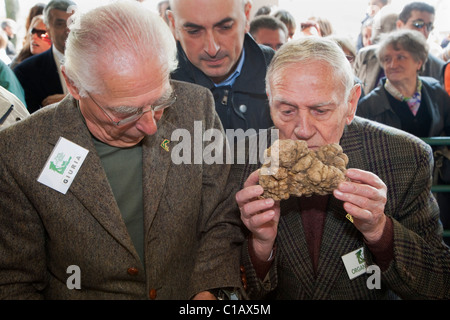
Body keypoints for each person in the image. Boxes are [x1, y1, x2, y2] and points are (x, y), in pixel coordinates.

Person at [0, 1, 244, 300]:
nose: (151, 127)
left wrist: (208, 291)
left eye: (160, 102)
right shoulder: (19, 152)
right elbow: (16, 282)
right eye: (125, 112)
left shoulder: (197, 108)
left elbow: (221, 215)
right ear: (75, 86)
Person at [234, 36, 450, 299]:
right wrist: (261, 247)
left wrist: (380, 230)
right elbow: (227, 284)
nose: (303, 130)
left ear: (351, 103)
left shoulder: (405, 157)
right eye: (287, 111)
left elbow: (440, 284)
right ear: (269, 100)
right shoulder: (243, 159)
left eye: (320, 111)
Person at [357, 29, 450, 238]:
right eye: (387, 58)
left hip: (436, 183)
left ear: (419, 61)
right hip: (394, 188)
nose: (392, 64)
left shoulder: (436, 91)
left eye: (401, 57)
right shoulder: (369, 106)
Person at [168, 0, 274, 131]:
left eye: (225, 27)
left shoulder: (282, 72)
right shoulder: (157, 87)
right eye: (194, 31)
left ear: (246, 16)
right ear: (173, 25)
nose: (212, 49)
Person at [354, 2, 445, 95]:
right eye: (418, 24)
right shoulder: (366, 55)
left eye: (429, 26)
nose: (424, 31)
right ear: (400, 25)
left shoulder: (437, 67)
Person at [13, 0, 76, 113]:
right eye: (60, 24)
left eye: (73, 22)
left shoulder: (99, 62)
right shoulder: (26, 72)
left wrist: (72, 100)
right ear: (48, 29)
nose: (68, 29)